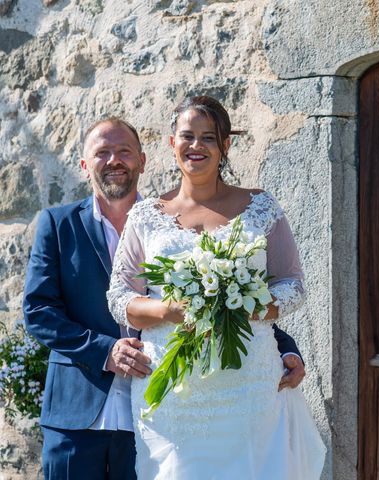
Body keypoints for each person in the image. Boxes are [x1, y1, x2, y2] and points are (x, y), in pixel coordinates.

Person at [22, 117, 306, 480]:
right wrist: (104, 351)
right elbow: (38, 311)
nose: (114, 160)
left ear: (142, 160)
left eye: (124, 151)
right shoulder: (58, 224)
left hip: (165, 405)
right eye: (102, 153)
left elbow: (231, 293)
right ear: (84, 164)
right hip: (80, 410)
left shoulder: (170, 217)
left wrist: (285, 348)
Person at [105, 95, 325, 479]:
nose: (196, 146)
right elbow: (119, 295)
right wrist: (165, 311)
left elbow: (293, 284)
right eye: (187, 136)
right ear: (171, 143)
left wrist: (258, 306)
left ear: (226, 145)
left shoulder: (261, 207)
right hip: (174, 388)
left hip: (248, 383)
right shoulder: (146, 216)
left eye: (209, 138)